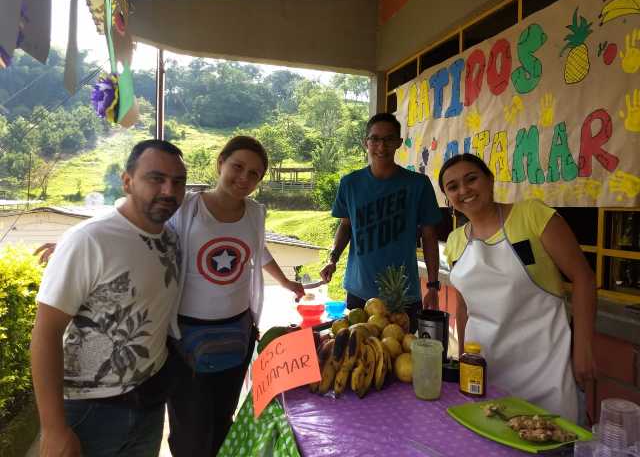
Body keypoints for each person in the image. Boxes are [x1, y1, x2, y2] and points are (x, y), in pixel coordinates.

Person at [30, 140, 187, 457]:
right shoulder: (88, 239)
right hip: (89, 409)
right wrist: (53, 428)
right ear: (127, 181)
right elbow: (45, 333)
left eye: (178, 181)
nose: (169, 191)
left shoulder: (171, 239)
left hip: (149, 400)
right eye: (156, 178)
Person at [166, 135, 304, 457]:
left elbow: (259, 250)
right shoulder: (186, 207)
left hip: (236, 332)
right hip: (185, 334)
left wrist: (286, 282)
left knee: (222, 416)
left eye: (254, 173)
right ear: (220, 164)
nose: (244, 178)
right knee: (190, 425)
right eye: (237, 167)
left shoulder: (255, 213)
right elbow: (147, 233)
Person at [439, 153, 595, 422]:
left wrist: (583, 347)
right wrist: (465, 358)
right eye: (452, 187)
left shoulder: (532, 215)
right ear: (448, 198)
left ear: (489, 180)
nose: (463, 190)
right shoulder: (454, 242)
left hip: (546, 370)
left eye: (471, 179)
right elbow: (465, 307)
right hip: (487, 374)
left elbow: (583, 278)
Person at [320, 113, 442, 332]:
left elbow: (429, 235)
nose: (381, 146)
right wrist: (333, 258)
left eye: (388, 139)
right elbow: (346, 225)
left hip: (402, 295)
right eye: (375, 139)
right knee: (361, 357)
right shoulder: (350, 184)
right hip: (359, 291)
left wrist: (433, 285)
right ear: (365, 142)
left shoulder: (418, 185)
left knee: (401, 359)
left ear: (399, 143)